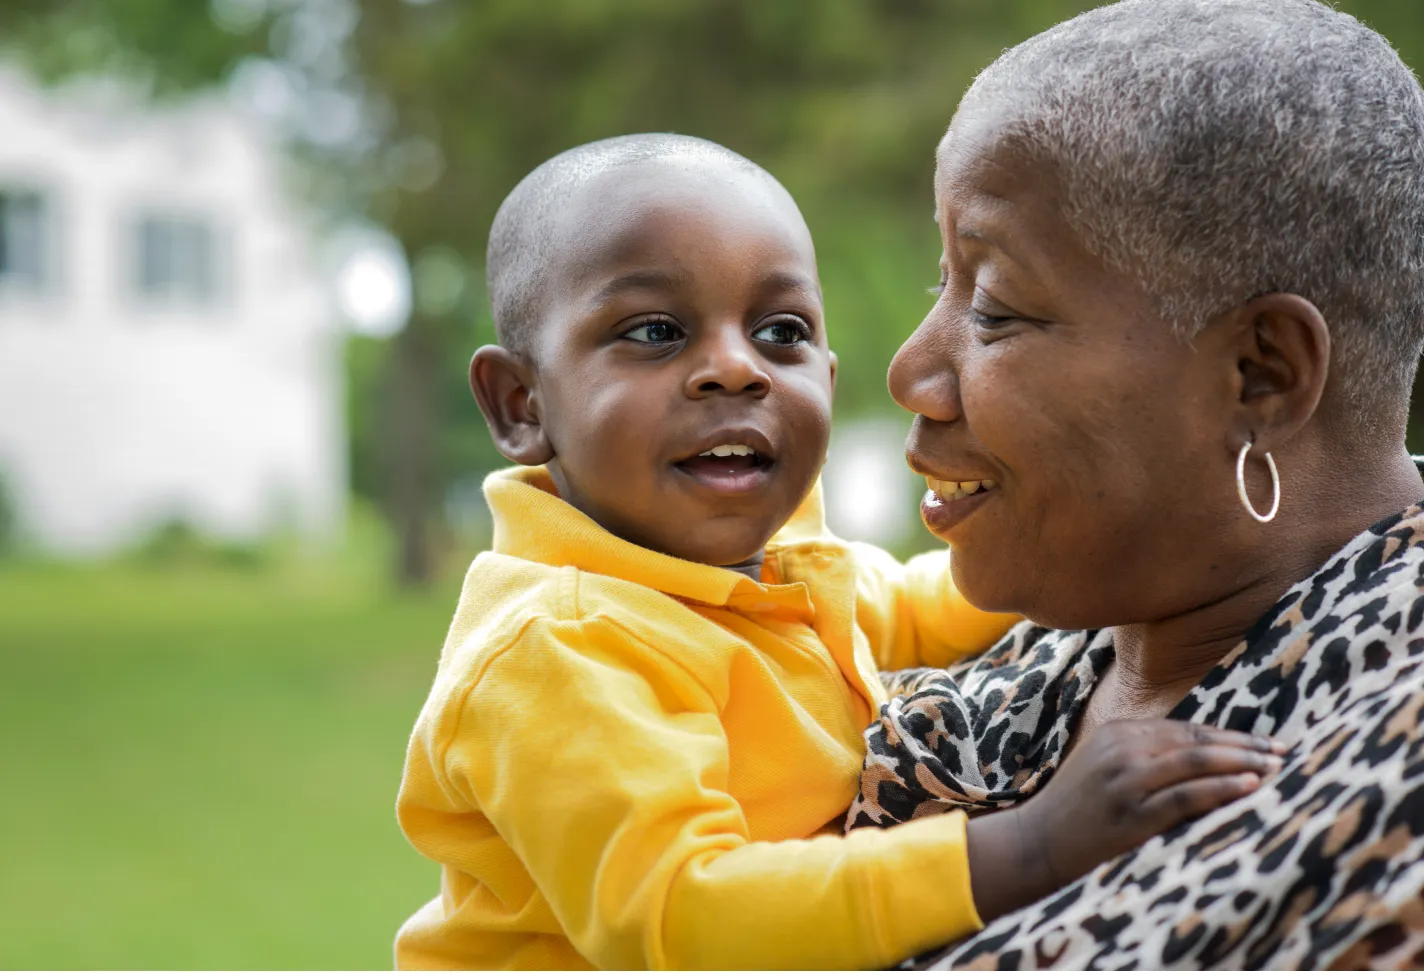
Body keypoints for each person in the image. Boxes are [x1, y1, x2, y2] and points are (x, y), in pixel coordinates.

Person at [392, 133, 1283, 970]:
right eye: (655, 331)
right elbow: (678, 916)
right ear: (520, 403)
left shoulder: (777, 562)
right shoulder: (560, 647)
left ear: (826, 376)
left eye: (780, 331)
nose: (736, 369)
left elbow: (919, 607)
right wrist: (1023, 846)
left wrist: (1099, 539)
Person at [854, 0, 1424, 968]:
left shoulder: (1385, 779)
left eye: (992, 309)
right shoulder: (988, 664)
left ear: (1260, 374)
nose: (910, 372)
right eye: (937, 285)